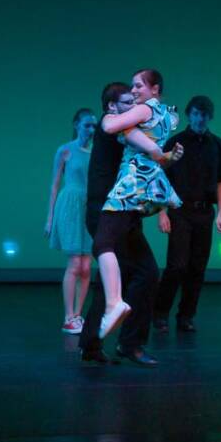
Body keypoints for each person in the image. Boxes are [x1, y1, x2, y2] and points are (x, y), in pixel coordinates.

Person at [79, 82, 181, 366]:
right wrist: (161, 149)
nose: (133, 108)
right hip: (106, 212)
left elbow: (150, 162)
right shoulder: (111, 123)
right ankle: (126, 344)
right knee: (140, 273)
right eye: (127, 102)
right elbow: (143, 141)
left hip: (125, 213)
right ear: (111, 106)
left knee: (138, 275)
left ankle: (99, 344)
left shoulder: (126, 126)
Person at [153, 95, 221, 333]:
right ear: (189, 115)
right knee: (176, 266)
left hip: (204, 212)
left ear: (210, 117)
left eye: (204, 114)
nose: (200, 118)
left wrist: (220, 213)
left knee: (197, 268)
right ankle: (161, 313)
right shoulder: (175, 142)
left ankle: (186, 316)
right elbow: (161, 177)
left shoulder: (218, 146)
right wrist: (162, 213)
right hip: (179, 211)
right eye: (196, 113)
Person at [45, 108, 96, 334]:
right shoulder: (65, 150)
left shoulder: (96, 153)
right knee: (75, 263)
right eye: (87, 125)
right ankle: (68, 316)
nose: (91, 130)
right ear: (76, 125)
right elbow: (55, 184)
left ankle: (77, 315)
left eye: (94, 126)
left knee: (86, 266)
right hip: (70, 206)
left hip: (89, 207)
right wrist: (50, 217)